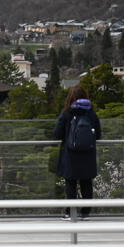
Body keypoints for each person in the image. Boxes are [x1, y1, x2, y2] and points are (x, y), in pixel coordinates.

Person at [53, 85, 102, 219]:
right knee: (86, 183)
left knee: (71, 184)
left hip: (70, 154)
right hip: (88, 154)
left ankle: (70, 212)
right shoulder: (91, 113)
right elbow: (98, 134)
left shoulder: (67, 112)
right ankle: (85, 213)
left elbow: (56, 134)